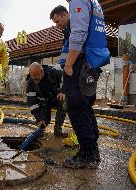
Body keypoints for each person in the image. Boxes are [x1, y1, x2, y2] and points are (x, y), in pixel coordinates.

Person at [50, 0, 108, 169]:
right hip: (90, 63)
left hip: (79, 64)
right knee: (85, 107)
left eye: (57, 21)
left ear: (65, 15)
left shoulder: (79, 1)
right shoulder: (93, 3)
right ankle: (92, 150)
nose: (57, 25)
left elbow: (79, 33)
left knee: (76, 107)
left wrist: (68, 64)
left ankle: (87, 154)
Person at [19, 62, 68, 150]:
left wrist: (63, 91)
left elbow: (67, 78)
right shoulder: (31, 82)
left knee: (64, 102)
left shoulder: (54, 72)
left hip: (56, 98)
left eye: (36, 76)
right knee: (44, 121)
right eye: (32, 76)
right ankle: (41, 129)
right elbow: (32, 103)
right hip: (44, 101)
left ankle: (58, 130)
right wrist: (39, 118)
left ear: (42, 72)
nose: (34, 79)